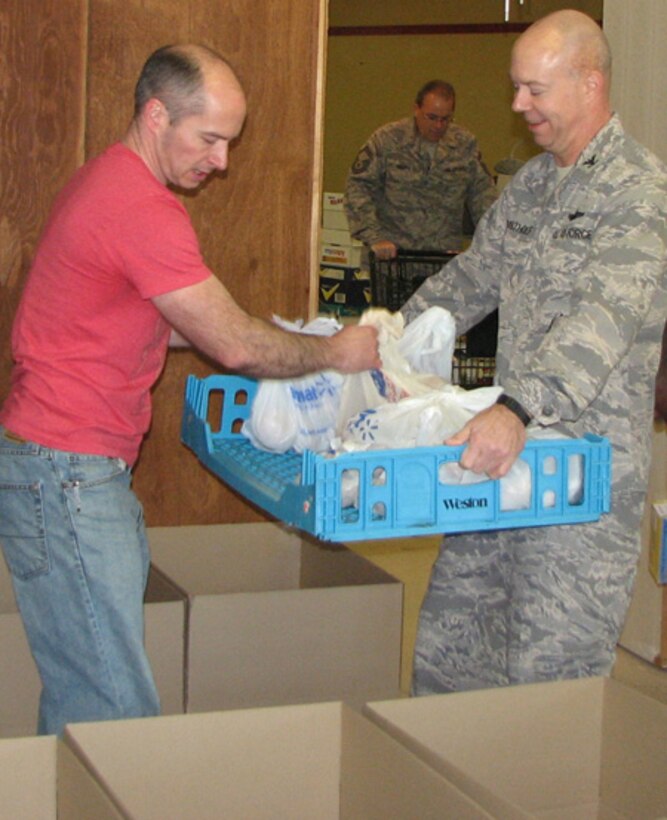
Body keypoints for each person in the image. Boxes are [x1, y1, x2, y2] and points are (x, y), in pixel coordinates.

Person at [0, 44, 380, 736]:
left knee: (87, 684)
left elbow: (173, 324)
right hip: (68, 471)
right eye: (209, 139)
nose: (221, 160)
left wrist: (264, 333)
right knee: (111, 706)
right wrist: (334, 350)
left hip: (60, 466)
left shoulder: (105, 182)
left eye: (229, 142)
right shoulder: (139, 206)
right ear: (155, 115)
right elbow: (232, 346)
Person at [402, 10, 667, 695]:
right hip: (501, 460)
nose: (518, 105)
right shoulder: (532, 184)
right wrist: (382, 341)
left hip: (578, 483)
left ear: (588, 82)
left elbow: (599, 322)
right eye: (515, 88)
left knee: (551, 685)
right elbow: (468, 279)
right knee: (449, 653)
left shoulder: (637, 193)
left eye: (534, 90)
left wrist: (517, 408)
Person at [344, 79, 498, 263]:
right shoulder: (388, 140)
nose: (439, 126)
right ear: (416, 109)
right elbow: (358, 187)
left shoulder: (464, 145)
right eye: (432, 117)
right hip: (393, 259)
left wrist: (494, 241)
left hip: (442, 260)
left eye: (446, 119)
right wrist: (373, 237)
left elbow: (483, 195)